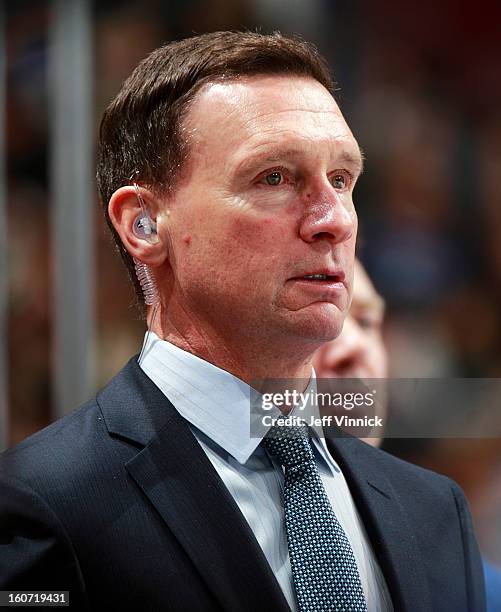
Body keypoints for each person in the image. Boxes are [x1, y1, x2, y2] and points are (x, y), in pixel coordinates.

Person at [0, 31, 485, 611]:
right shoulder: (42, 500)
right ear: (144, 224)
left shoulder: (435, 512)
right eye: (274, 178)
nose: (333, 219)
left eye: (342, 179)